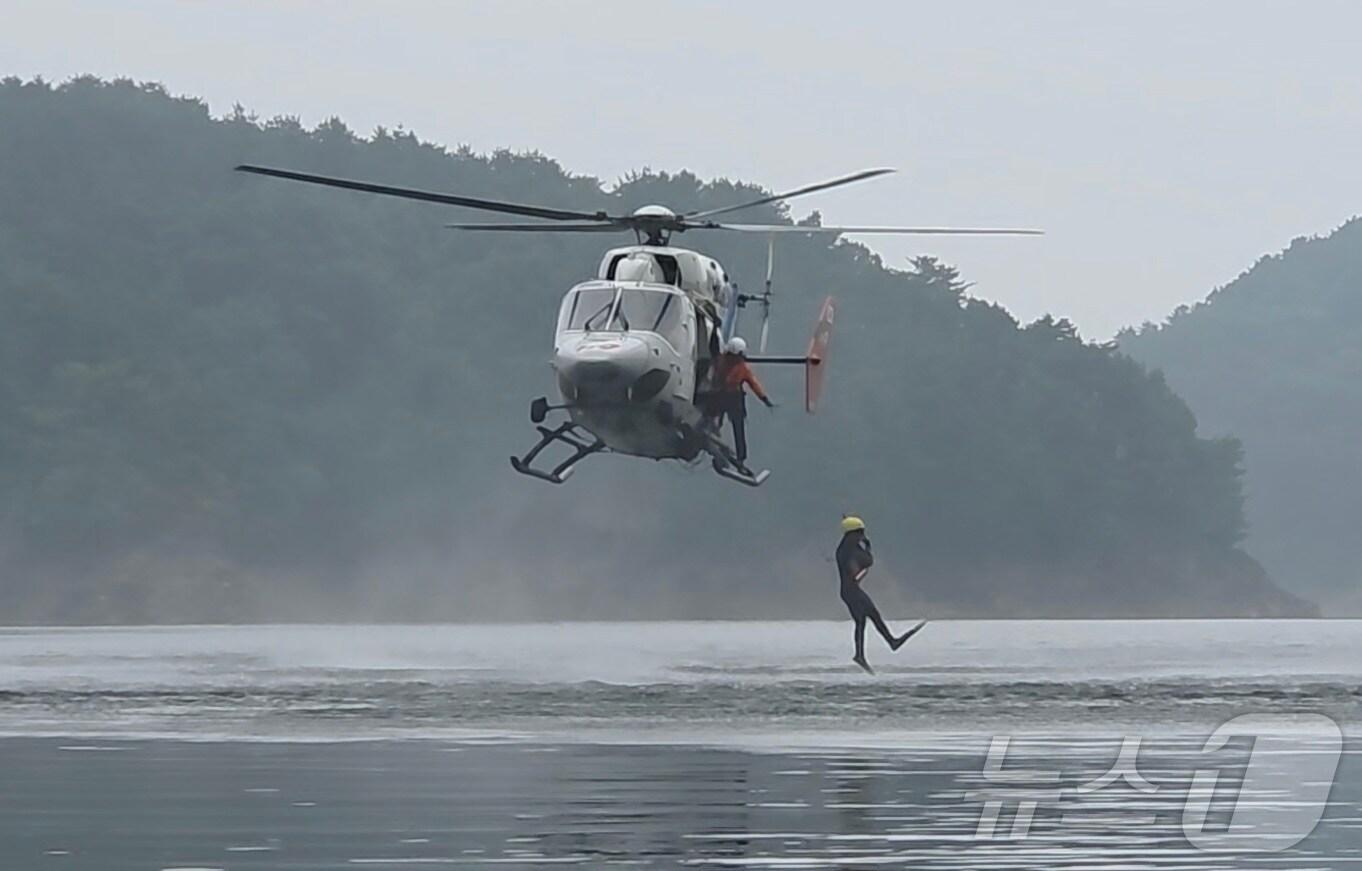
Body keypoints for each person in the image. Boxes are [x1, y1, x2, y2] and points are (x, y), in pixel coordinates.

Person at [835, 515, 923, 673]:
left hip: (849, 590)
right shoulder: (849, 550)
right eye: (860, 533)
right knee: (867, 618)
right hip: (851, 591)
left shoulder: (845, 549)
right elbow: (867, 561)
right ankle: (883, 645)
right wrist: (867, 547)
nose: (862, 535)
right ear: (853, 534)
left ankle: (869, 651)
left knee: (866, 619)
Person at [713, 336, 773, 469]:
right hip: (720, 394)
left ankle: (741, 457)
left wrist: (764, 398)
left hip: (734, 398)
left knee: (738, 427)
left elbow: (754, 384)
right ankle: (714, 437)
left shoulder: (742, 368)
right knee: (714, 418)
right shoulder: (721, 360)